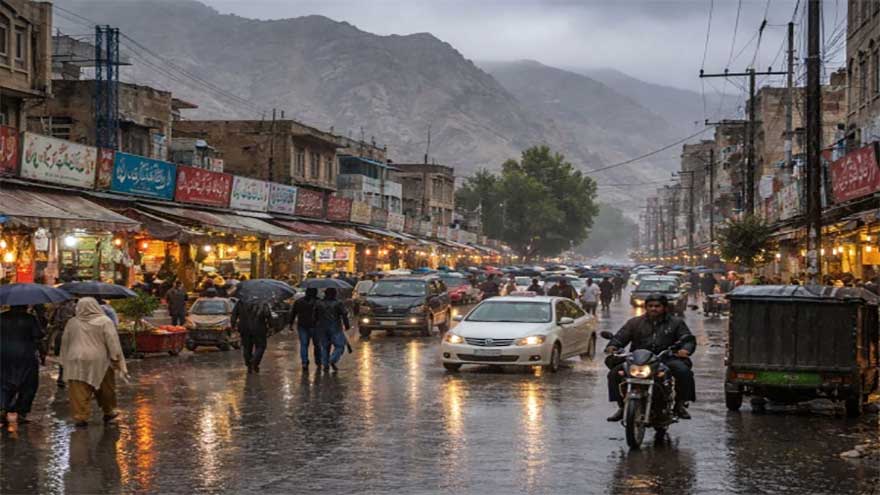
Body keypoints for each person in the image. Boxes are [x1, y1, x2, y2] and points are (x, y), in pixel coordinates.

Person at [604, 293, 696, 421]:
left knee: (683, 371)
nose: (653, 308)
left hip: (665, 358)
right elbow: (620, 337)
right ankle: (621, 406)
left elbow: (688, 339)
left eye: (657, 306)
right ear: (646, 307)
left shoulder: (676, 323)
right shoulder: (635, 322)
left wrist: (685, 349)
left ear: (664, 307)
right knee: (614, 373)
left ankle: (680, 405)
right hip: (639, 359)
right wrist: (613, 346)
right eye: (650, 306)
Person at [60, 298, 128, 427]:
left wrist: (63, 360)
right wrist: (115, 358)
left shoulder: (72, 322)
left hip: (76, 359)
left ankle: (80, 416)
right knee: (106, 389)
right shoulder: (105, 321)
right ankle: (109, 411)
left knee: (78, 390)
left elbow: (65, 342)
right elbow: (112, 341)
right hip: (99, 360)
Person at [0, 306, 45, 424]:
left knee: (3, 383)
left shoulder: (1, 317)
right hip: (26, 355)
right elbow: (39, 337)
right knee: (28, 384)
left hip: (4, 354)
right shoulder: (30, 319)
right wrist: (42, 354)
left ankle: (3, 408)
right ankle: (21, 412)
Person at [231, 300, 272, 374]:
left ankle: (249, 364)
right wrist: (271, 326)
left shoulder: (241, 302)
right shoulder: (262, 302)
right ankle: (254, 362)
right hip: (259, 328)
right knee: (261, 346)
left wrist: (233, 325)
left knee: (247, 347)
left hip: (245, 328)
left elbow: (234, 314)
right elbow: (268, 315)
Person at [316, 287, 351, 373]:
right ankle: (332, 360)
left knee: (325, 347)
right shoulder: (338, 303)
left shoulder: (319, 303)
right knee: (340, 346)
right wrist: (347, 325)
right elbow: (344, 315)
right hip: (335, 328)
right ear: (334, 294)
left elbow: (314, 316)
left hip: (322, 328)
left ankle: (325, 365)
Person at [290, 288, 319, 371]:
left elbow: (293, 313)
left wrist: (291, 324)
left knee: (304, 345)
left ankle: (304, 362)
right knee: (317, 345)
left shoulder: (299, 302)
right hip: (315, 326)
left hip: (302, 326)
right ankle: (318, 360)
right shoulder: (318, 301)